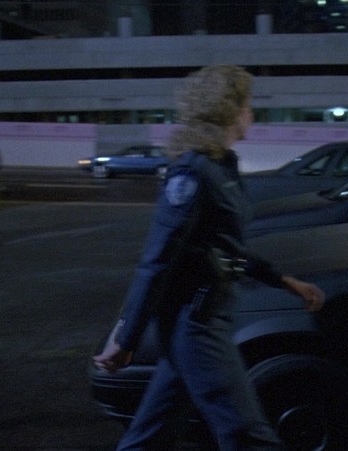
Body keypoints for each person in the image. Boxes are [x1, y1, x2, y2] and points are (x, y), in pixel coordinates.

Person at [93, 65, 325, 450]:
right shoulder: (193, 174)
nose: (251, 114)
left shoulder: (221, 168)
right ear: (228, 110)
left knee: (150, 437)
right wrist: (127, 336)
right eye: (247, 106)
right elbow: (157, 260)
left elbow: (223, 246)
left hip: (206, 317)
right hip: (196, 325)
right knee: (248, 436)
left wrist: (282, 280)